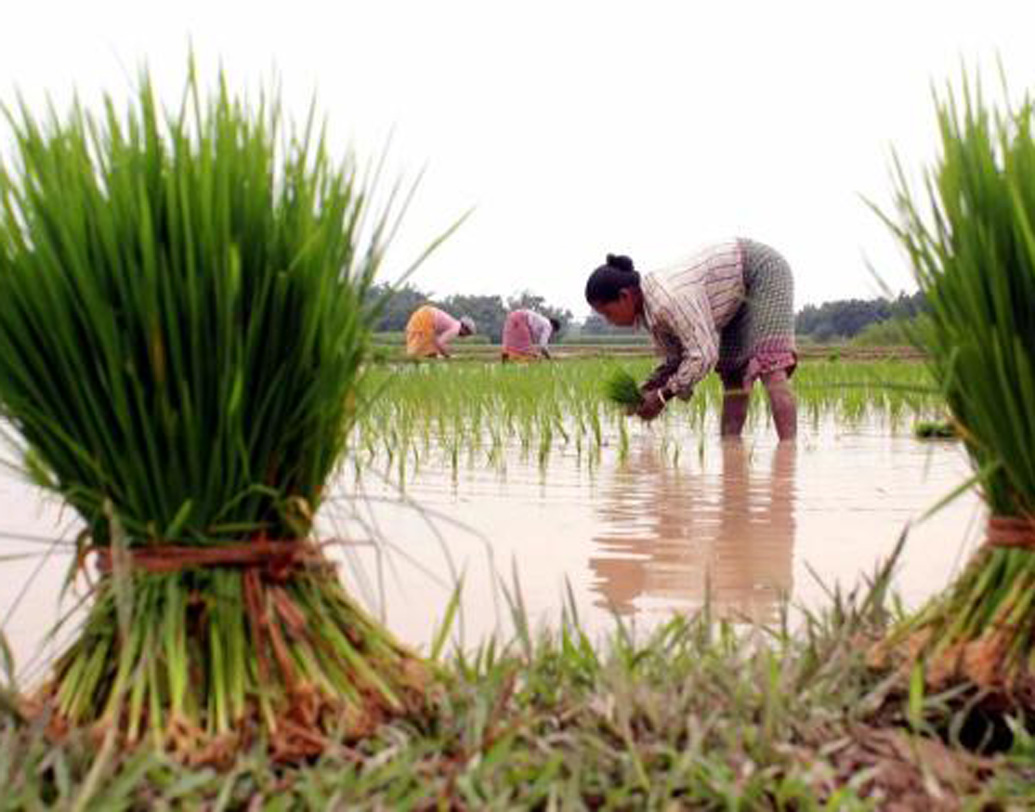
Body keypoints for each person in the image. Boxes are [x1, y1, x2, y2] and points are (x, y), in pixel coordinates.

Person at [584, 238, 797, 440]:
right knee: (733, 376)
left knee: (772, 369)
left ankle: (788, 458)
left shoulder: (667, 300)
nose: (609, 322)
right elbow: (678, 359)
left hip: (760, 271)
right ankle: (731, 454)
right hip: (732, 295)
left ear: (625, 296)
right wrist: (648, 388)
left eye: (607, 313)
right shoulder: (650, 314)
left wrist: (660, 398)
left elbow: (703, 356)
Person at [404, 305, 476, 358]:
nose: (464, 337)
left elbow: (436, 341)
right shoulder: (456, 328)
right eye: (467, 334)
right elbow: (440, 343)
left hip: (424, 313)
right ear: (464, 328)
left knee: (428, 350)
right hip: (426, 317)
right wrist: (447, 356)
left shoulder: (453, 323)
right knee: (424, 351)